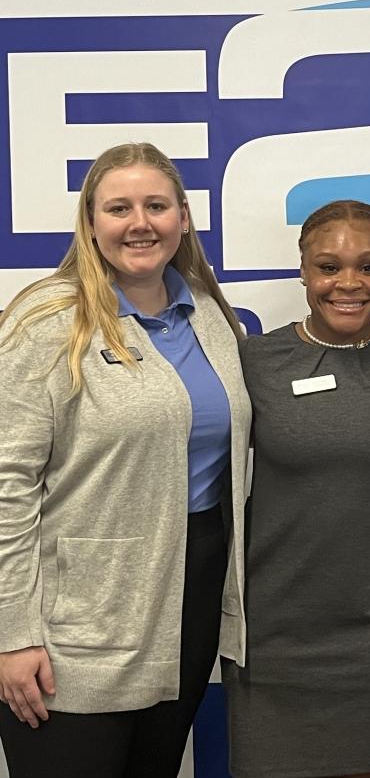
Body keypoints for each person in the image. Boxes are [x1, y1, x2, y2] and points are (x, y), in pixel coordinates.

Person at [0, 142, 251, 778]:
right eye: (118, 208)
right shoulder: (47, 321)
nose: (140, 222)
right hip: (77, 620)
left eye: (156, 205)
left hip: (186, 601)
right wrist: (12, 634)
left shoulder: (210, 317)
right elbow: (7, 485)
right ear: (90, 223)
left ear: (184, 218)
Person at [223, 200, 370, 778]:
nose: (349, 283)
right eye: (329, 267)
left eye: (369, 267)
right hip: (274, 631)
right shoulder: (256, 362)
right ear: (303, 271)